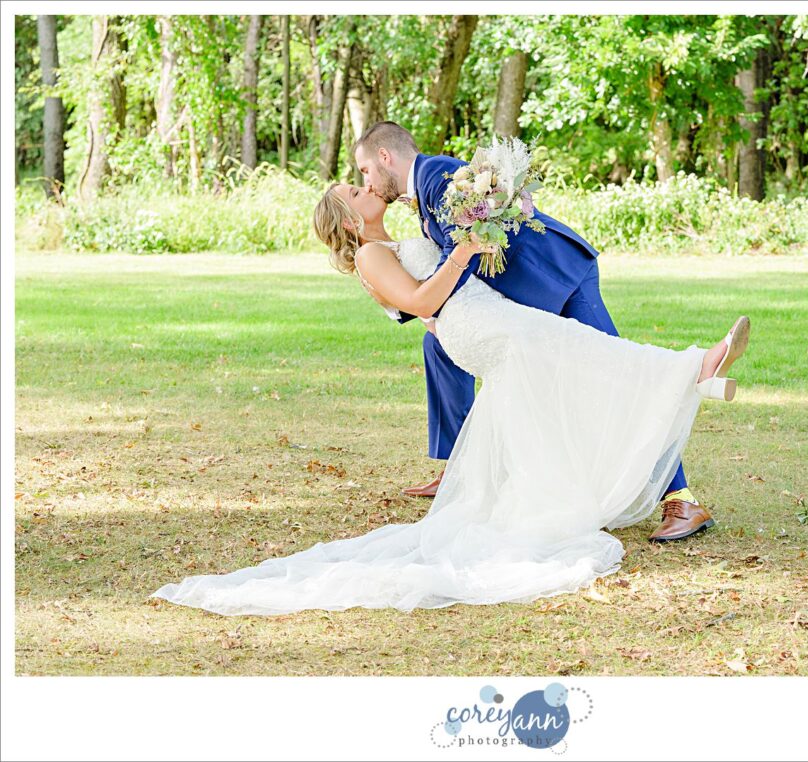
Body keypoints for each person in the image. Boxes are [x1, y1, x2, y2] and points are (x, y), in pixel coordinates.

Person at [148, 182, 749, 616]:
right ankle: (696, 366)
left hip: (488, 315)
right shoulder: (369, 255)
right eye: (353, 191)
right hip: (477, 329)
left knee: (575, 361)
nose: (364, 188)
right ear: (349, 219)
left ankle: (690, 374)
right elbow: (419, 304)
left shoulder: (396, 238)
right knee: (579, 350)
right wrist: (462, 251)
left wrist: (481, 228)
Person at [353, 121, 711, 542]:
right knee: (444, 351)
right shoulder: (427, 192)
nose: (367, 182)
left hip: (557, 276)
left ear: (384, 157)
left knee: (617, 376)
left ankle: (682, 498)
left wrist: (433, 305)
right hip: (533, 289)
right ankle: (464, 469)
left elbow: (460, 255)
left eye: (364, 171)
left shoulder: (436, 178)